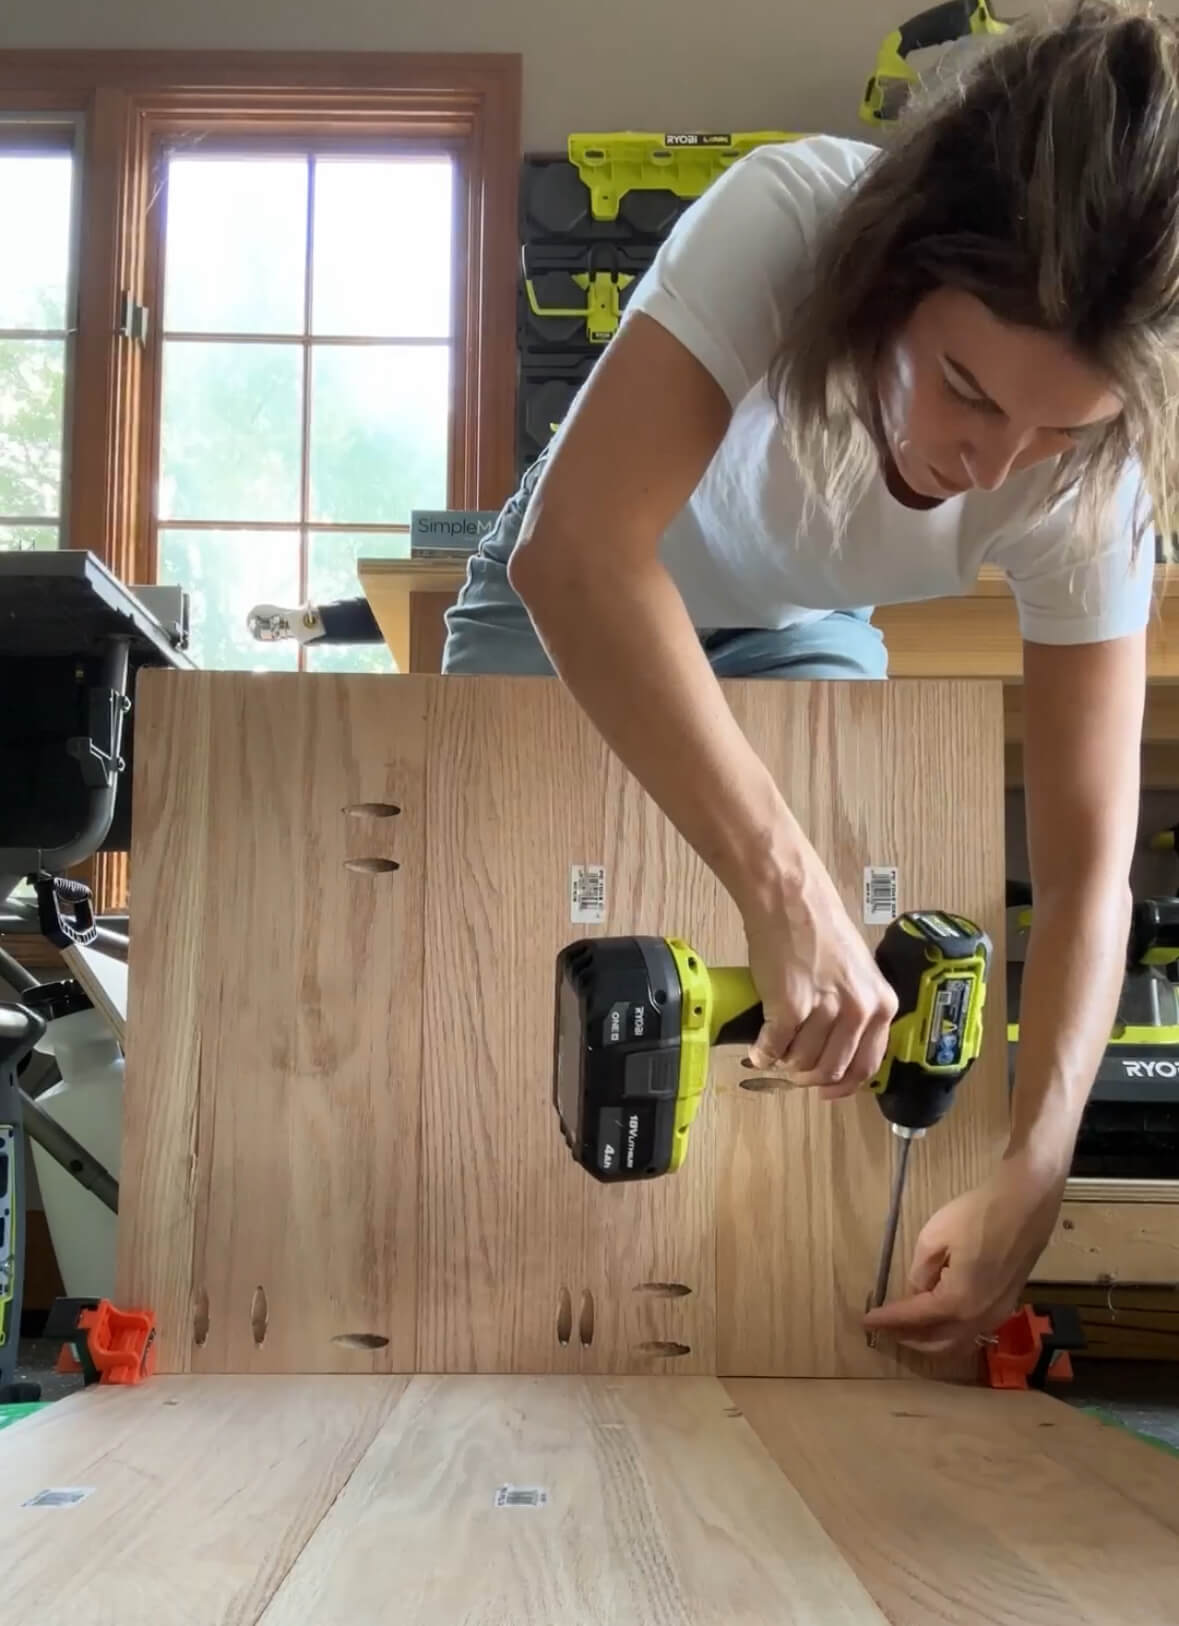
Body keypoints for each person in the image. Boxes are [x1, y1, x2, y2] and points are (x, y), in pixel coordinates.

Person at [443, 1, 1177, 1354]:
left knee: (842, 987)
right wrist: (780, 886)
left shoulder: (1094, 483)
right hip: (569, 576)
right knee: (494, 977)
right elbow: (584, 558)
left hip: (794, 616)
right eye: (964, 387)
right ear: (897, 274)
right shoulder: (788, 216)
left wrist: (1037, 1165)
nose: (991, 463)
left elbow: (1086, 873)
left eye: (1056, 429)